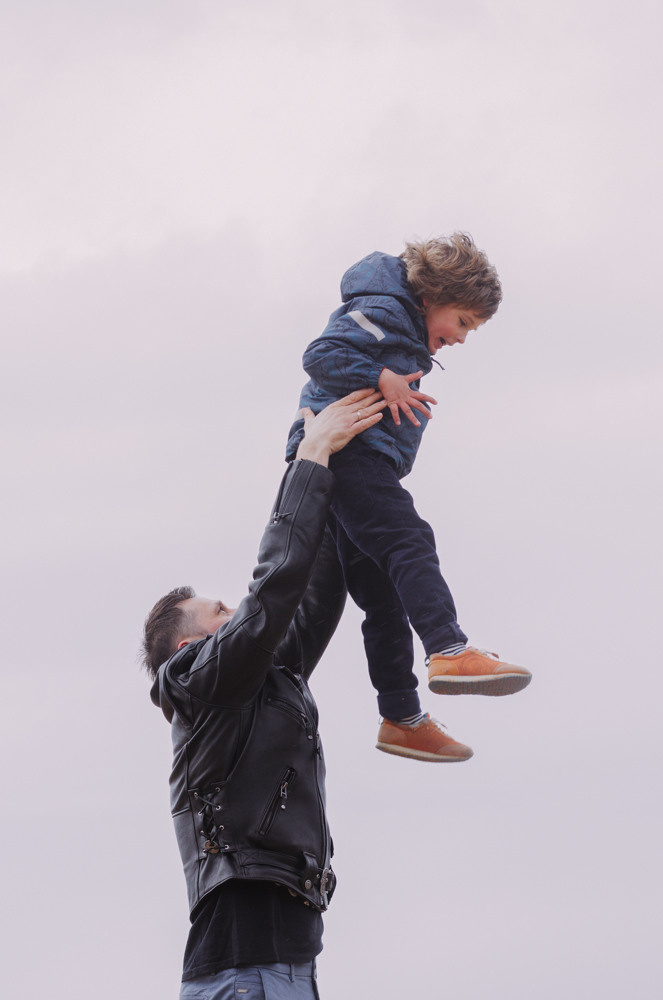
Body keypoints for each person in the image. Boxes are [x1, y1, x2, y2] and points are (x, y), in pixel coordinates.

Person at [143, 390, 386, 1000]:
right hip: (241, 967)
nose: (237, 612)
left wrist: (339, 469)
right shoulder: (198, 680)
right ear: (186, 648)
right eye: (219, 611)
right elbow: (273, 594)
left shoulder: (264, 682)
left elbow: (311, 591)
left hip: (286, 964)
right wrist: (307, 459)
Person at [286, 232, 531, 765]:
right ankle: (448, 650)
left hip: (355, 458)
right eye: (463, 322)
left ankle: (402, 718)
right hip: (350, 452)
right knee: (408, 540)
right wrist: (383, 378)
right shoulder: (384, 309)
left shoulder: (402, 323)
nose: (463, 338)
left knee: (383, 594)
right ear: (433, 294)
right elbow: (320, 354)